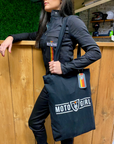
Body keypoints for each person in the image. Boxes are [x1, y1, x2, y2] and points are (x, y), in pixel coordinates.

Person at [0, 0, 101, 144]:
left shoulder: (72, 21)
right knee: (53, 125)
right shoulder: (49, 25)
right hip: (53, 82)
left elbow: (95, 52)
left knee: (60, 127)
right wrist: (11, 37)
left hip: (64, 83)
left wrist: (64, 67)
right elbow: (32, 35)